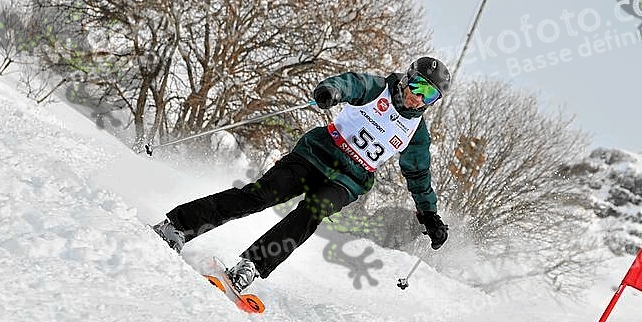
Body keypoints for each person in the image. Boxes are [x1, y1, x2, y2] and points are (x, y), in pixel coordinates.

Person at [153, 56, 451, 291]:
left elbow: (418, 175)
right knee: (262, 195)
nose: (419, 99)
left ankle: (252, 266)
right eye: (418, 87)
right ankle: (178, 226)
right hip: (317, 153)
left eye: (429, 96)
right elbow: (350, 84)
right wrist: (332, 90)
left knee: (313, 211)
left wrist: (429, 214)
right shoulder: (378, 88)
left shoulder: (416, 134)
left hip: (349, 179)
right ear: (407, 79)